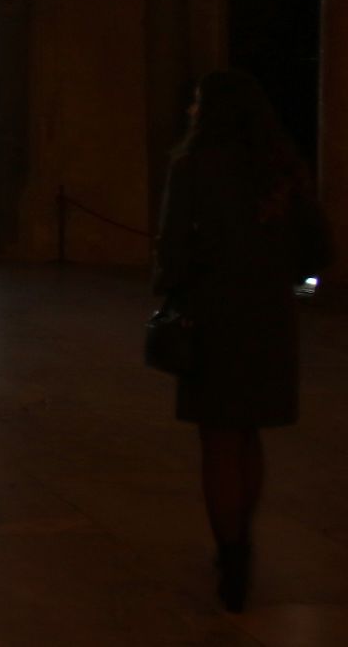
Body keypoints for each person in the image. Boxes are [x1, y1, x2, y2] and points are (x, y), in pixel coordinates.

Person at [153, 69, 330, 613]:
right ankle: (242, 544)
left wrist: (176, 287)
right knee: (250, 436)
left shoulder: (192, 167)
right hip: (272, 316)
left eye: (197, 103)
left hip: (214, 315)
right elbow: (316, 249)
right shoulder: (281, 168)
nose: (190, 112)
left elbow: (174, 253)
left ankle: (231, 558)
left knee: (219, 440)